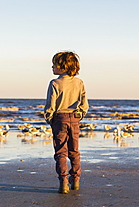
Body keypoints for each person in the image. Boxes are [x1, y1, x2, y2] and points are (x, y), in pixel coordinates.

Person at [44, 51, 89, 194]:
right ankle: (75, 180)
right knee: (74, 150)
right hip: (74, 118)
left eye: (54, 65)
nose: (52, 67)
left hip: (59, 118)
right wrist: (80, 114)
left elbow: (50, 105)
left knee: (60, 152)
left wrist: (49, 118)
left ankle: (64, 182)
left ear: (63, 66)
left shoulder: (55, 83)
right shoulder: (79, 82)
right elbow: (84, 104)